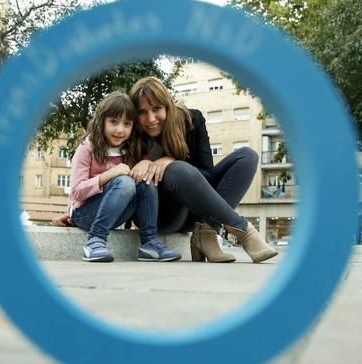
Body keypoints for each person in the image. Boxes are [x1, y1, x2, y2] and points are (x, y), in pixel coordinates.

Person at [127, 77, 278, 263]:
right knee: (178, 170)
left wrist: (170, 159)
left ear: (167, 105)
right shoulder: (130, 133)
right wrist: (149, 161)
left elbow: (208, 174)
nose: (150, 119)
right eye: (142, 112)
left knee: (247, 156)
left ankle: (205, 232)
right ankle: (244, 232)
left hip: (196, 212)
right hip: (161, 216)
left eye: (156, 109)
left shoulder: (192, 120)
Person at [68, 91, 181, 263]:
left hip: (115, 213)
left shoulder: (130, 150)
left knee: (144, 179)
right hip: (84, 214)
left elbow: (157, 152)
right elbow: (77, 192)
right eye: (113, 122)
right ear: (102, 121)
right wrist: (110, 174)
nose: (120, 130)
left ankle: (149, 243)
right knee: (125, 182)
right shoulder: (86, 148)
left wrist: (159, 160)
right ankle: (94, 241)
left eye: (127, 124)